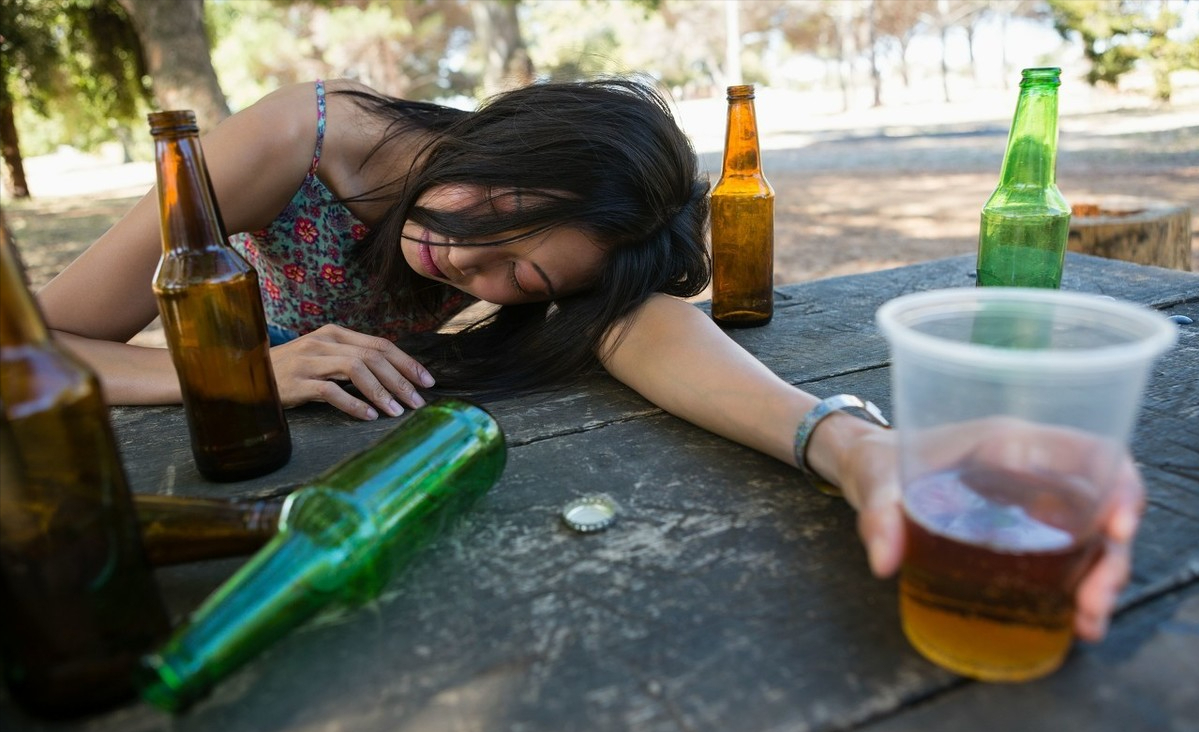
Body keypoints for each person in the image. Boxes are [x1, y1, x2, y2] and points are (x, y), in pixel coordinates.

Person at [36, 76, 1136, 643]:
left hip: (342, 474)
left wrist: (851, 449)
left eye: (519, 280)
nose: (465, 255)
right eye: (501, 208)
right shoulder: (301, 136)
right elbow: (32, 339)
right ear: (519, 139)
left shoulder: (576, 257)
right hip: (217, 468)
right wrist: (245, 372)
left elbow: (653, 332)